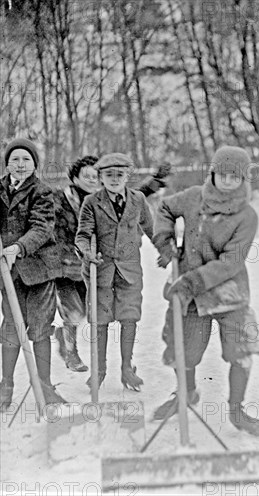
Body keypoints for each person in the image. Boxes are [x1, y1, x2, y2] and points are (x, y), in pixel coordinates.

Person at [152, 146, 259, 437]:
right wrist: (164, 241)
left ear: (244, 179)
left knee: (239, 350)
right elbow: (165, 208)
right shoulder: (193, 197)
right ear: (212, 173)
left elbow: (230, 261)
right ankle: (186, 393)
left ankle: (237, 410)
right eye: (223, 175)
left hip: (228, 291)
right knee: (184, 350)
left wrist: (191, 282)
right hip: (189, 290)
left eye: (235, 176)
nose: (228, 181)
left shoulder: (247, 215)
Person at [53, 156, 170, 372]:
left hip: (93, 268)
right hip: (66, 265)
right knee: (74, 312)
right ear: (75, 178)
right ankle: (71, 352)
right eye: (85, 176)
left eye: (93, 176)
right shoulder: (61, 199)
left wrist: (157, 180)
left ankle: (69, 338)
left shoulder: (105, 198)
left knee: (90, 313)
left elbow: (139, 196)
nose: (90, 180)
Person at [75, 153, 154, 391]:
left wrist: (167, 250)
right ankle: (99, 370)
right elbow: (82, 235)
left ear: (127, 176)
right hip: (101, 272)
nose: (114, 179)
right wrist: (87, 254)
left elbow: (152, 229)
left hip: (129, 271)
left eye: (119, 174)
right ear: (100, 177)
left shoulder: (138, 199)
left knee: (129, 318)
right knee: (101, 321)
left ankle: (127, 369)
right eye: (109, 174)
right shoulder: (91, 202)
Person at [0, 138, 67, 411]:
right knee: (11, 328)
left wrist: (18, 247)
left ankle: (45, 387)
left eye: (26, 159)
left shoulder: (43, 192)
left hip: (39, 271)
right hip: (8, 273)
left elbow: (42, 228)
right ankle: (6, 385)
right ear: (6, 163)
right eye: (15, 159)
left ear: (34, 164)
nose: (20, 164)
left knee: (39, 328)